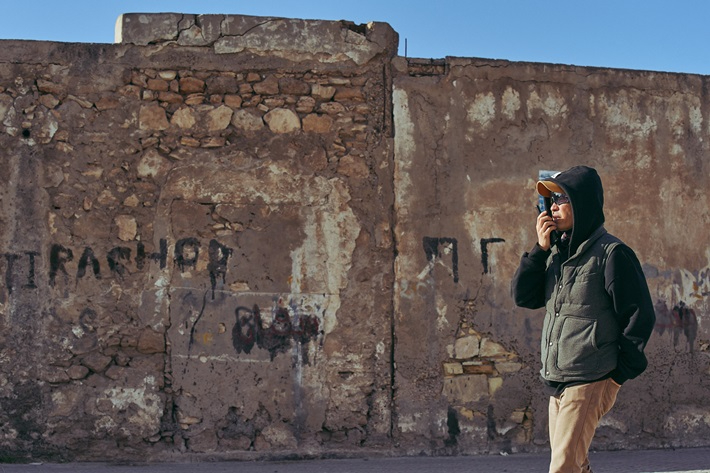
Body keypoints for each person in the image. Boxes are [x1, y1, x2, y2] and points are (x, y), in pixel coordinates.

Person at [511, 165, 655, 473]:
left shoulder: (612, 254)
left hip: (590, 379)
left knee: (562, 467)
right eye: (549, 200)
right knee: (577, 465)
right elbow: (524, 297)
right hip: (557, 380)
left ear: (582, 202)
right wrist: (539, 250)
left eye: (560, 198)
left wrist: (617, 376)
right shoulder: (557, 255)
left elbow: (639, 316)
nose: (552, 206)